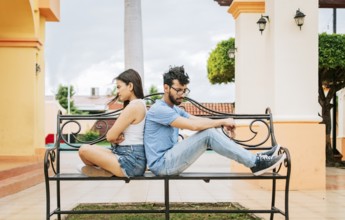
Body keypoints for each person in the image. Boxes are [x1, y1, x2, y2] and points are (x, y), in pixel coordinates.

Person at [144, 66, 286, 176]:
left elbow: (197, 120)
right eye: (179, 90)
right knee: (208, 134)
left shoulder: (174, 109)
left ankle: (256, 159)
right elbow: (193, 126)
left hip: (170, 158)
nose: (182, 95)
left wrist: (222, 124)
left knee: (209, 131)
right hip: (162, 164)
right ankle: (255, 162)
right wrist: (221, 122)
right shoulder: (159, 109)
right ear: (166, 88)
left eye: (185, 90)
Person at [78, 69, 147, 177]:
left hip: (130, 162)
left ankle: (107, 172)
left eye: (119, 87)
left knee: (83, 150)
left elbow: (110, 136)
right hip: (129, 157)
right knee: (86, 149)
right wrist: (116, 137)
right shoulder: (140, 104)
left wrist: (115, 137)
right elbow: (113, 136)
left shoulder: (133, 106)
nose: (117, 91)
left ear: (130, 86)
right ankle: (108, 171)